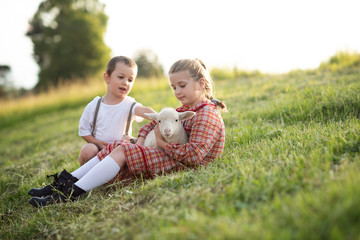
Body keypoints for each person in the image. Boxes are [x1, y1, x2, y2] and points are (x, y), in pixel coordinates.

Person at [28, 58, 227, 207]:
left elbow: (194, 155)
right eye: (173, 87)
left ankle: (70, 194)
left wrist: (163, 143)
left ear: (201, 84)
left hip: (184, 164)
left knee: (124, 151)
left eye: (181, 86)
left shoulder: (206, 114)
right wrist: (138, 140)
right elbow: (153, 123)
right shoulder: (183, 109)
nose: (177, 92)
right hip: (171, 155)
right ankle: (63, 183)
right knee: (119, 144)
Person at [77, 56, 155, 165]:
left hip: (120, 151)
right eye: (120, 77)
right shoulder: (94, 105)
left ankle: (118, 174)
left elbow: (142, 110)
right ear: (107, 78)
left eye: (130, 80)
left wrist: (158, 116)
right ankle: (85, 174)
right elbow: (84, 131)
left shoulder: (129, 104)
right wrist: (97, 143)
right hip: (99, 148)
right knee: (88, 150)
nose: (125, 83)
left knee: (131, 142)